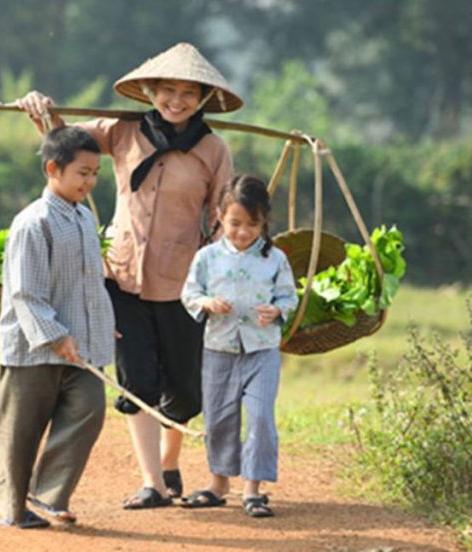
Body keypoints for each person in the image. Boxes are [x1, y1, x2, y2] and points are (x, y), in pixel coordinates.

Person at [16, 42, 242, 509]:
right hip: (121, 277)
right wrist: (40, 107)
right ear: (150, 91)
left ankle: (169, 460)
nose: (175, 101)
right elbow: (65, 141)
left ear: (201, 99)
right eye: (167, 91)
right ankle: (152, 483)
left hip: (184, 284)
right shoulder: (122, 131)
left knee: (184, 386)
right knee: (136, 378)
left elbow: (224, 215)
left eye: (187, 94)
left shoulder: (213, 149)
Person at [0, 125, 115, 528]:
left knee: (90, 409)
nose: (90, 181)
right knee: (21, 433)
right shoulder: (33, 222)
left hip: (79, 349)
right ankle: (13, 510)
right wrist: (55, 335)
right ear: (53, 168)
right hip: (33, 351)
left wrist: (101, 326)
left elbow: (88, 283)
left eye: (95, 173)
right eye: (82, 172)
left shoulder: (83, 219)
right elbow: (25, 294)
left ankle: (48, 495)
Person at [178, 173, 298, 518]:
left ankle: (253, 490)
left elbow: (289, 297)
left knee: (260, 417)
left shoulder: (276, 259)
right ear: (218, 215)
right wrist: (206, 303)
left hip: (262, 350)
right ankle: (218, 484)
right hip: (219, 348)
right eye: (234, 223)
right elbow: (189, 292)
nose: (242, 232)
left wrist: (277, 310)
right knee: (219, 418)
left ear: (263, 222)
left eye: (252, 224)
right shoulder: (207, 257)